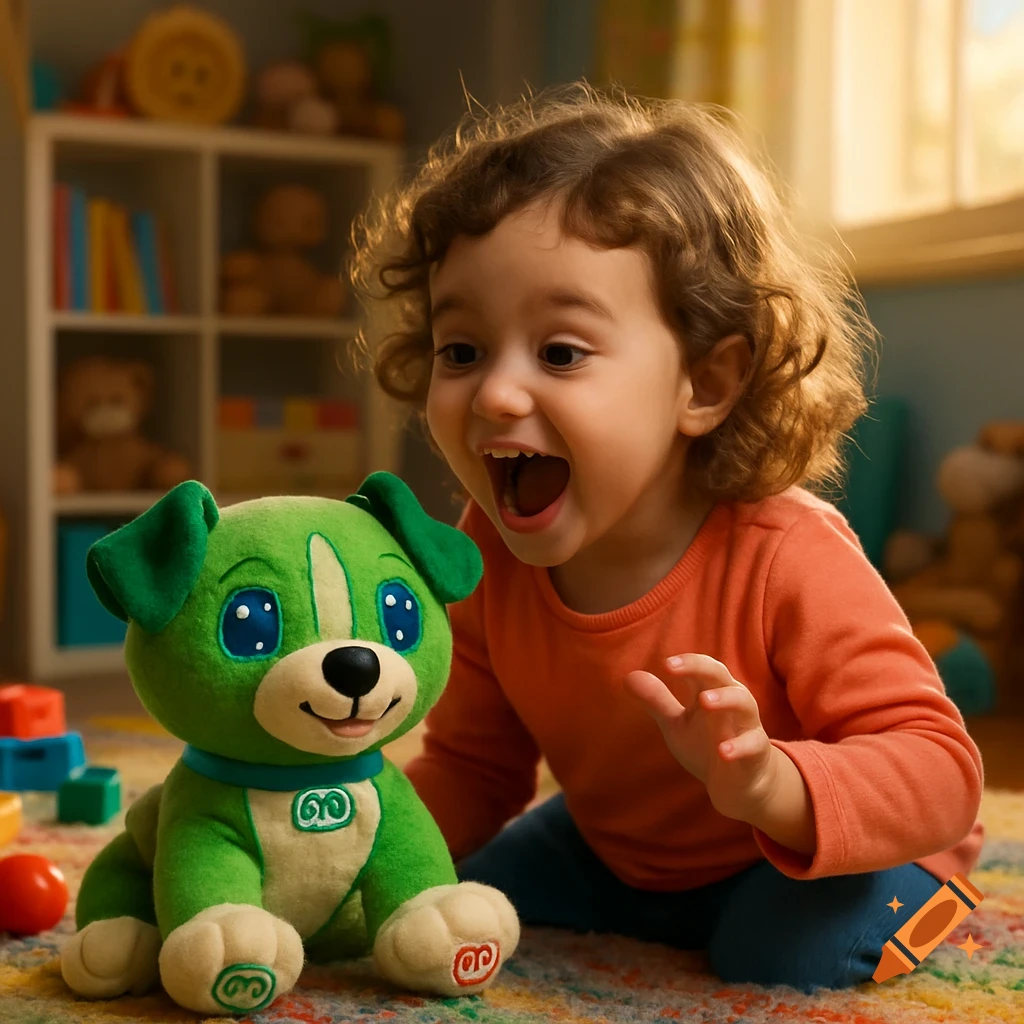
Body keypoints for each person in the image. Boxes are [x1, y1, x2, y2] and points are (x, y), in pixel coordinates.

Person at [348, 84, 984, 992]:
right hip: (615, 850)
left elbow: (940, 771)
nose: (493, 394)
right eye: (463, 351)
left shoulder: (786, 552)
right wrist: (356, 848)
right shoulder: (486, 548)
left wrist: (770, 784)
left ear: (706, 382)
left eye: (561, 352)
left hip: (829, 844)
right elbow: (475, 763)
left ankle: (928, 894)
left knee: (777, 959)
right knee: (442, 902)